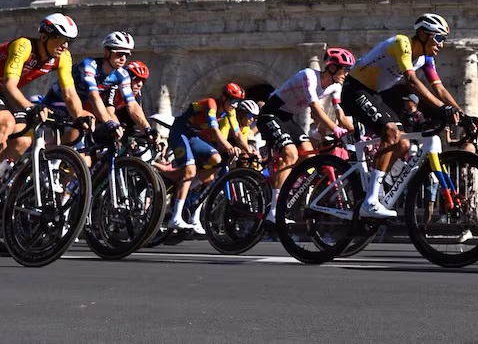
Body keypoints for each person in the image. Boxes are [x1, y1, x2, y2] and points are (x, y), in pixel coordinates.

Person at [0, 14, 85, 216]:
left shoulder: (63, 57)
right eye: (60, 39)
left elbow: (69, 93)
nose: (65, 46)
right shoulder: (23, 46)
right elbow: (9, 84)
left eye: (69, 41)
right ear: (44, 37)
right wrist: (31, 107)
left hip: (3, 94)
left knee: (24, 140)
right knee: (4, 122)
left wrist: (80, 117)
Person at [346, 14, 461, 218]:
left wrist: (461, 113)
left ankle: (376, 189)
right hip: (354, 89)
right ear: (423, 35)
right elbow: (412, 81)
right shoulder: (403, 44)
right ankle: (371, 201)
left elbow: (439, 89)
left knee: (403, 145)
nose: (441, 45)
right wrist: (443, 109)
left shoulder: (426, 59)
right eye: (439, 38)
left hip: (374, 93)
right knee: (390, 130)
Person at [258, 48, 355, 218]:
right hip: (270, 113)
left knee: (310, 159)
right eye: (344, 69)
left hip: (288, 118)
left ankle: (284, 184)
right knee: (290, 154)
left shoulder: (335, 86)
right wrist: (335, 129)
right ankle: (274, 210)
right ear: (332, 68)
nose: (346, 74)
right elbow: (316, 109)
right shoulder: (309, 75)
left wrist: (354, 132)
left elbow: (339, 114)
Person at [166, 83, 255, 231]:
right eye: (233, 101)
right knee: (190, 169)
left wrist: (250, 151)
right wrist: (229, 147)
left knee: (216, 160)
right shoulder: (211, 104)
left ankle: (187, 189)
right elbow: (214, 131)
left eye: (237, 102)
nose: (235, 105)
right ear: (224, 98)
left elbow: (238, 134)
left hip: (193, 135)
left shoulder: (230, 111)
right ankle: (175, 218)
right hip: (179, 131)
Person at [44, 31, 149, 147]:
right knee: (87, 120)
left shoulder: (122, 75)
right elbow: (93, 95)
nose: (123, 58)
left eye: (127, 55)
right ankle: (58, 157)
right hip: (58, 101)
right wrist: (109, 122)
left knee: (86, 160)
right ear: (106, 52)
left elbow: (132, 104)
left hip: (79, 107)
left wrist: (147, 128)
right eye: (119, 54)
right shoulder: (89, 65)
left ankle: (67, 158)